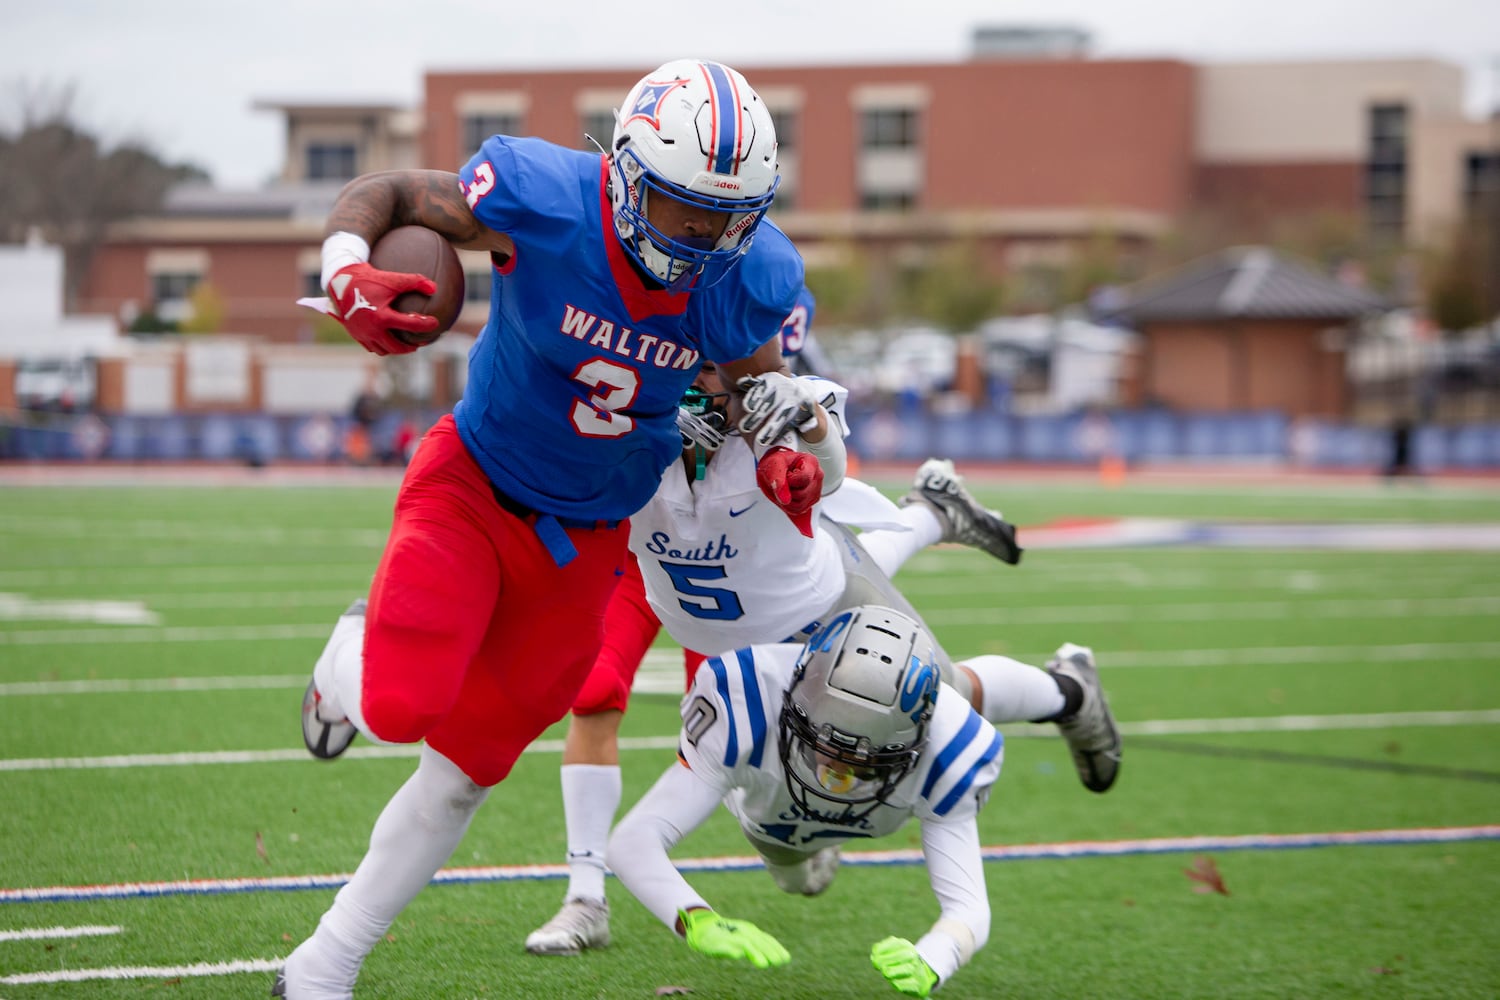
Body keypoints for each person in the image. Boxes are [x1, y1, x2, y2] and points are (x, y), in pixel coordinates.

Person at [276, 59, 817, 999]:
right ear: (628, 174)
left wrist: (770, 445)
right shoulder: (545, 196)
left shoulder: (745, 264)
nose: (705, 241)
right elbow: (391, 190)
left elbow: (750, 388)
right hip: (474, 490)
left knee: (467, 772)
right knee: (403, 709)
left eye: (729, 220)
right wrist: (346, 271)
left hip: (592, 543)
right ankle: (349, 656)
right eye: (687, 214)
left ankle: (323, 966)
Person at [523, 361, 1118, 956]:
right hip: (733, 636)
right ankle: (933, 512)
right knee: (782, 849)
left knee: (938, 695)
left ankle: (1069, 691)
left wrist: (800, 420)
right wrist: (640, 446)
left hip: (826, 605)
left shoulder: (768, 407)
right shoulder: (620, 426)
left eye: (706, 371)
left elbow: (825, 473)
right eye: (682, 369)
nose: (693, 387)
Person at [606, 605, 1100, 997]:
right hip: (770, 814)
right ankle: (928, 514)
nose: (835, 774)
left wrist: (935, 955)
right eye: (824, 744)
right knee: (795, 877)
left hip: (880, 784)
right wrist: (694, 917)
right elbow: (633, 842)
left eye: (865, 759)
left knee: (953, 681)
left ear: (913, 740)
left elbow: (969, 910)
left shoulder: (950, 747)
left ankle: (1071, 691)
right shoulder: (747, 698)